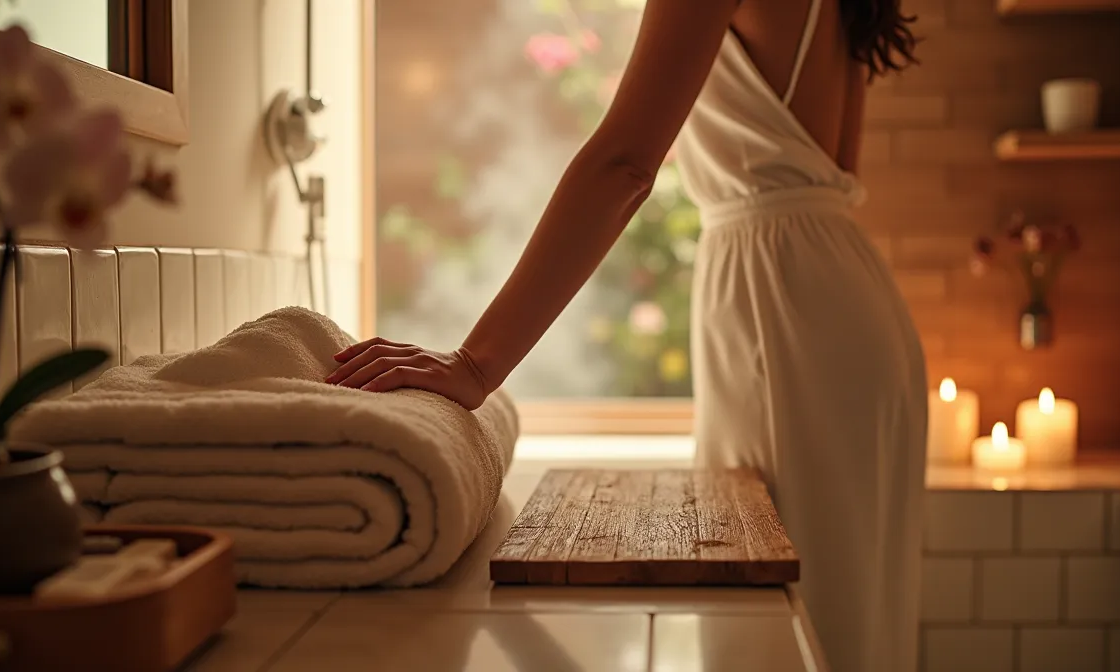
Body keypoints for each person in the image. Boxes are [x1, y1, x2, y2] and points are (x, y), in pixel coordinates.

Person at [326, 0, 925, 669]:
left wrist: (476, 363)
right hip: (849, 302)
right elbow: (837, 171)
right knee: (849, 617)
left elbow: (625, 165)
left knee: (786, 632)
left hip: (785, 309)